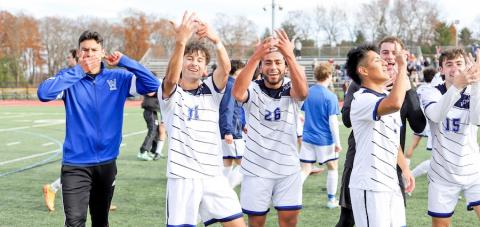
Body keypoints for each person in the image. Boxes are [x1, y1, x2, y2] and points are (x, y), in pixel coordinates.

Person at [37, 30, 160, 226]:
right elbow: (43, 93)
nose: (89, 54)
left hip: (106, 164)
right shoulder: (69, 79)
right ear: (78, 53)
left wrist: (125, 61)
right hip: (75, 164)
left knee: (101, 221)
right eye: (84, 50)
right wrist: (79, 70)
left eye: (94, 50)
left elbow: (153, 85)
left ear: (102, 52)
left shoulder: (119, 79)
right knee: (75, 221)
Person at [159, 12, 245, 226]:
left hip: (212, 175)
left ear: (206, 68)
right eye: (189, 58)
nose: (194, 63)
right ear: (182, 63)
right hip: (182, 177)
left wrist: (216, 41)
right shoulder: (170, 94)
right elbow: (171, 78)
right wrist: (181, 43)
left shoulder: (211, 90)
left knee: (237, 224)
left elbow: (225, 70)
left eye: (200, 60)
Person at [336, 37, 426, 227]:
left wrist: (406, 168)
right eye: (379, 59)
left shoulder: (386, 95)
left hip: (391, 182)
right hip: (370, 184)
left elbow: (393, 139)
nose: (386, 61)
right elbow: (394, 104)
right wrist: (403, 68)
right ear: (363, 70)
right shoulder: (362, 98)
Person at [232, 30, 308, 227]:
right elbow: (238, 93)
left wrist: (290, 54)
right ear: (261, 66)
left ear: (285, 66)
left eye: (278, 62)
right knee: (256, 223)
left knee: (289, 222)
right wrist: (256, 55)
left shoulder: (292, 87)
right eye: (268, 62)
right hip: (256, 169)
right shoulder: (253, 88)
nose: (273, 67)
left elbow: (303, 93)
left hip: (288, 169)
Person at [420, 48, 480, 227]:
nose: (454, 68)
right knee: (441, 225)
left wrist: (476, 83)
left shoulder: (473, 91)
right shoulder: (430, 92)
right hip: (442, 173)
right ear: (441, 70)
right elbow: (436, 115)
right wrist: (457, 86)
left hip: (473, 170)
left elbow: (478, 119)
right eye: (449, 64)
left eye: (459, 64)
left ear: (466, 66)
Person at [299, 62, 342, 209]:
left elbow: (302, 112)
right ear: (329, 75)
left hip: (308, 138)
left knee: (305, 169)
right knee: (333, 167)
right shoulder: (330, 96)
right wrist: (338, 142)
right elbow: (333, 122)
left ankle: (290, 198)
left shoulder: (308, 92)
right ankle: (331, 200)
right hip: (325, 140)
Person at [42, 49, 78, 212]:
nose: (67, 59)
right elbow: (46, 93)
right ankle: (53, 188)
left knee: (98, 169)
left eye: (69, 57)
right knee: (80, 170)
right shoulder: (66, 75)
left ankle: (100, 201)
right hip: (79, 132)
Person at [220, 59, 246, 188]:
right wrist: (228, 131)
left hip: (232, 129)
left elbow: (237, 108)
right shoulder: (231, 85)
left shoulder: (230, 84)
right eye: (243, 70)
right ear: (236, 71)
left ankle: (220, 189)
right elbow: (228, 109)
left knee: (227, 162)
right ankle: (226, 190)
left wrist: (243, 124)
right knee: (246, 164)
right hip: (232, 132)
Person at [405, 67, 437, 171]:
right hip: (431, 121)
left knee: (412, 146)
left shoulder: (420, 88)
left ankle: (404, 167)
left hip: (419, 120)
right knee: (437, 148)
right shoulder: (435, 88)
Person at [137, 80, 166, 161]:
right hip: (149, 111)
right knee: (152, 130)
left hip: (153, 111)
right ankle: (143, 151)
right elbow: (150, 93)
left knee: (156, 131)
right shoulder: (149, 86)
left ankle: (153, 151)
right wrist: (158, 88)